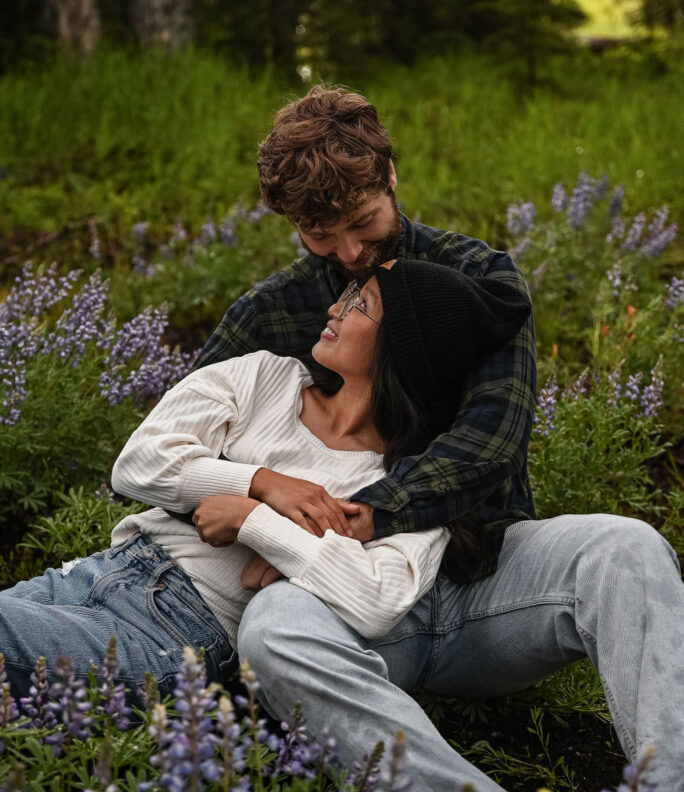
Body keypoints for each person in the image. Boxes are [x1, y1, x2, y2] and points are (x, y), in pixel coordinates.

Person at [194, 85, 684, 792]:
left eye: (362, 222)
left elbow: (491, 442)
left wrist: (344, 522)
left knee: (627, 549)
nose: (351, 253)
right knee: (272, 632)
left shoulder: (478, 279)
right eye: (321, 238)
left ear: (390, 176)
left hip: (478, 583)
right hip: (336, 603)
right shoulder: (273, 312)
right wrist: (270, 520)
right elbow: (184, 442)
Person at [0, 260, 529, 723]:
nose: (334, 309)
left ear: (405, 348)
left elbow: (375, 598)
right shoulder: (266, 376)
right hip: (95, 574)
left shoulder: (404, 487)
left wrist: (254, 523)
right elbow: (138, 463)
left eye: (359, 304)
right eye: (345, 294)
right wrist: (260, 484)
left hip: (179, 631)